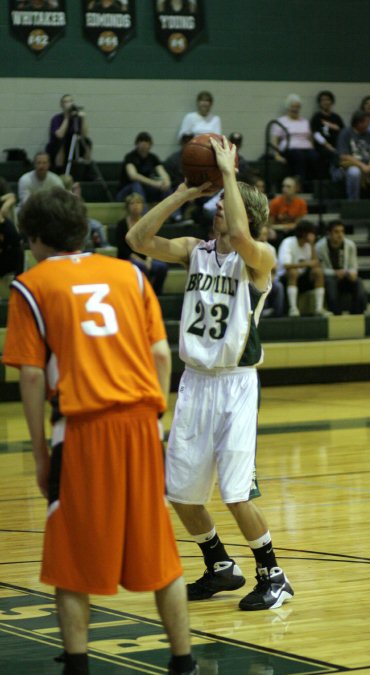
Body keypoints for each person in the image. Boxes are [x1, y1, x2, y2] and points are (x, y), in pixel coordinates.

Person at [1, 187, 197, 675]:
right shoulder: (129, 273)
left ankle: (78, 664)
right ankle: (184, 662)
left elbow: (29, 375)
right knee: (160, 551)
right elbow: (159, 355)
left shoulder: (31, 285)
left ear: (36, 238)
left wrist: (41, 453)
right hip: (141, 424)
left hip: (84, 428)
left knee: (70, 555)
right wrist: (156, 422)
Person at [126, 135, 294, 611]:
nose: (217, 209)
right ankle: (221, 566)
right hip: (194, 381)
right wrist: (183, 193)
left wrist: (229, 174)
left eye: (223, 204)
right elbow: (136, 240)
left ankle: (274, 575)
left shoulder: (260, 258)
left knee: (237, 493)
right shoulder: (193, 250)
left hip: (236, 386)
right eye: (217, 203)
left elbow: (241, 236)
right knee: (179, 491)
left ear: (247, 214)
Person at [334, 111, 370, 201]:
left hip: (367, 167)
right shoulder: (345, 133)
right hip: (350, 167)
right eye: (367, 122)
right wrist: (362, 166)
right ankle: (353, 203)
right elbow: (343, 156)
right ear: (359, 122)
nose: (369, 125)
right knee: (354, 172)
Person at [116, 192, 168, 295]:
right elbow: (122, 248)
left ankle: (156, 294)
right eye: (132, 203)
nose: (136, 206)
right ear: (127, 207)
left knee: (162, 267)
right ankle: (143, 294)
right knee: (140, 266)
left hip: (146, 256)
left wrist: (148, 259)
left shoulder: (147, 223)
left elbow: (152, 242)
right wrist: (141, 260)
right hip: (128, 258)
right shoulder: (121, 225)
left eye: (139, 203)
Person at [315, 219, 367, 315]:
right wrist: (335, 273)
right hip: (329, 277)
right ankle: (336, 314)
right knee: (330, 283)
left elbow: (353, 265)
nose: (340, 235)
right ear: (329, 233)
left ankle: (356, 313)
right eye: (336, 232)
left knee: (358, 282)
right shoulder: (319, 246)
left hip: (345, 275)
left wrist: (351, 272)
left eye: (342, 231)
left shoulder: (350, 245)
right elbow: (319, 269)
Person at [277, 220, 326, 317]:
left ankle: (319, 308)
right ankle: (293, 308)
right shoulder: (288, 242)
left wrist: (312, 245)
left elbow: (315, 264)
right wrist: (306, 263)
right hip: (286, 278)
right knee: (293, 272)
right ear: (304, 233)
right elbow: (286, 265)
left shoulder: (309, 245)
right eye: (311, 233)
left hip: (303, 277)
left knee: (318, 272)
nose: (314, 236)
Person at [270, 94, 318, 182]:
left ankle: (311, 185)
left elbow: (310, 138)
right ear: (288, 107)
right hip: (290, 149)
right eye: (293, 106)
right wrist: (277, 155)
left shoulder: (305, 121)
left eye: (297, 107)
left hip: (306, 148)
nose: (295, 109)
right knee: (299, 157)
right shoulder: (281, 121)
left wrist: (312, 148)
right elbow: (275, 140)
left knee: (314, 157)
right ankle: (300, 184)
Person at [116, 131, 171, 204]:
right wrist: (154, 183)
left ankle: (176, 215)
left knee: (165, 187)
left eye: (146, 141)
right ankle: (143, 214)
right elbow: (133, 176)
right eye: (141, 141)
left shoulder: (153, 158)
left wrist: (166, 182)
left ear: (150, 144)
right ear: (136, 144)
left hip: (145, 190)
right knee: (136, 185)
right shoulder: (130, 157)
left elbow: (162, 172)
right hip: (126, 192)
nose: (143, 143)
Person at [46, 94, 92, 174]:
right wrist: (67, 117)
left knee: (87, 142)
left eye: (70, 101)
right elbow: (60, 135)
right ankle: (60, 171)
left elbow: (84, 134)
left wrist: (83, 119)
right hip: (58, 144)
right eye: (66, 102)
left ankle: (87, 171)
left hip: (73, 144)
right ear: (61, 105)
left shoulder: (77, 118)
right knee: (61, 143)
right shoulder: (56, 118)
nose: (68, 103)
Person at [310, 90, 345, 177]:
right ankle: (335, 177)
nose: (325, 102)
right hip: (322, 147)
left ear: (332, 102)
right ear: (320, 103)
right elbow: (316, 135)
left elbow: (343, 133)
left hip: (337, 146)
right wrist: (328, 146)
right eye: (323, 100)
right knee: (332, 154)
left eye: (327, 99)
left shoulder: (337, 117)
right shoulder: (316, 117)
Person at [259, 224, 284, 318]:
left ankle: (278, 315)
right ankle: (262, 311)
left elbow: (274, 269)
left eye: (265, 234)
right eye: (261, 234)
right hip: (254, 279)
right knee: (260, 285)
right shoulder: (251, 247)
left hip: (268, 278)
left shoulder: (271, 248)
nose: (263, 237)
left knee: (278, 286)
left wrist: (271, 279)